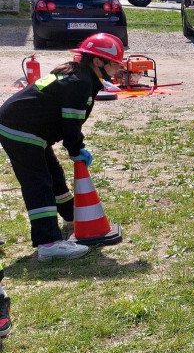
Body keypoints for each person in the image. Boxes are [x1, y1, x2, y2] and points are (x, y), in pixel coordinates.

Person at [0, 33, 125, 264]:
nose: (119, 67)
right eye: (115, 62)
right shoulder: (80, 83)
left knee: (54, 175)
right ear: (98, 61)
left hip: (28, 127)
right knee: (38, 184)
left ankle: (71, 218)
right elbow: (71, 124)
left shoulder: (80, 74)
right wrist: (76, 149)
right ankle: (48, 243)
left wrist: (76, 147)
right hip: (20, 129)